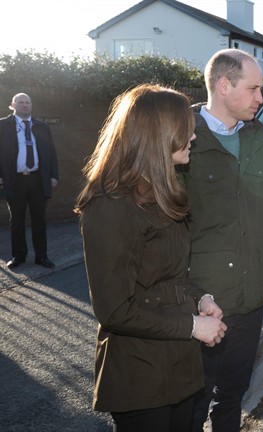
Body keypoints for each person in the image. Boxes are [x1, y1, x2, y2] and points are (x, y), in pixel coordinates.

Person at [75, 84, 228, 432]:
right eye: (185, 127)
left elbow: (167, 274)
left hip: (179, 368)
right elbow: (114, 310)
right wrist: (193, 325)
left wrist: (199, 297)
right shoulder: (110, 206)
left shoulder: (162, 193)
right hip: (141, 378)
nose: (192, 136)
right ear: (158, 134)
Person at [179, 49, 263, 432]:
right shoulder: (180, 138)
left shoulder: (258, 136)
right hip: (205, 299)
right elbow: (172, 224)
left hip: (252, 295)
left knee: (233, 396)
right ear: (223, 85)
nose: (261, 98)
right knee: (194, 399)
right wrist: (191, 292)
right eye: (254, 88)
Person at [0, 93, 59, 269]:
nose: (25, 105)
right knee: (16, 220)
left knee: (39, 220)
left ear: (31, 106)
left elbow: (52, 153)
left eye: (27, 102)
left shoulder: (42, 127)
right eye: (21, 102)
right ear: (13, 105)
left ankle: (41, 256)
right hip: (14, 180)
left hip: (38, 181)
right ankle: (18, 256)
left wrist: (54, 176)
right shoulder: (3, 125)